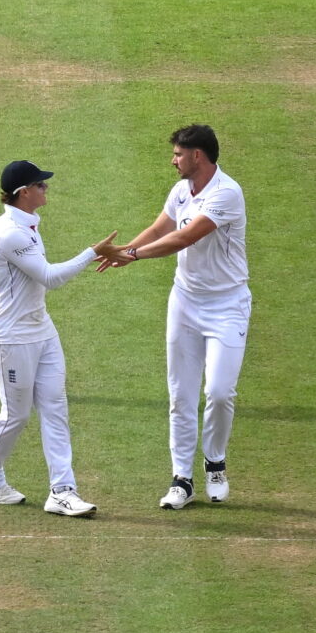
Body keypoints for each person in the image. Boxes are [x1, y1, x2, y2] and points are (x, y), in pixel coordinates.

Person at [96, 125, 249, 507]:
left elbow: (184, 238)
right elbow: (160, 228)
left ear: (197, 156)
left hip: (227, 306)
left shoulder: (227, 193)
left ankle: (215, 463)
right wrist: (124, 250)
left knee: (219, 392)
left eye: (178, 154)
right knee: (181, 395)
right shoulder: (182, 190)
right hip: (185, 303)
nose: (173, 160)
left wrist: (132, 256)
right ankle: (182, 479)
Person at [0, 162, 112, 517]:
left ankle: (62, 491)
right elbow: (50, 277)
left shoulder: (29, 224)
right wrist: (93, 252)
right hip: (10, 337)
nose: (46, 189)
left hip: (41, 330)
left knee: (55, 408)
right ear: (24, 193)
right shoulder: (9, 233)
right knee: (16, 415)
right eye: (40, 185)